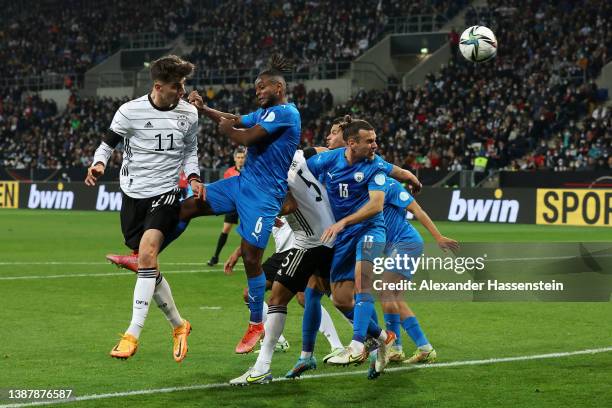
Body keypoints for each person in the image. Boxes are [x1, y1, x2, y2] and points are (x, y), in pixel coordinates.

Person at [84, 55, 203, 362]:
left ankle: (132, 333)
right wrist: (98, 163)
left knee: (147, 254)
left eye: (183, 86)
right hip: (132, 194)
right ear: (158, 86)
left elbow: (190, 150)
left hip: (165, 192)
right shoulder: (130, 111)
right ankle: (179, 325)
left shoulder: (189, 114)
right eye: (176, 86)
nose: (181, 91)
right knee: (147, 265)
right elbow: (108, 143)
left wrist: (193, 176)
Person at [181, 55, 301, 354]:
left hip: (264, 196)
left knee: (250, 257)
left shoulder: (285, 113)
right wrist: (204, 108)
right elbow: (236, 120)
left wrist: (228, 132)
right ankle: (145, 256)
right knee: (189, 205)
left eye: (262, 87)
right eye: (256, 88)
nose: (257, 91)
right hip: (242, 185)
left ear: (278, 87)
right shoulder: (265, 112)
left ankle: (256, 324)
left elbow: (245, 137)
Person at [230, 147, 343, 385]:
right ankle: (379, 340)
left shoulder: (276, 175)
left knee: (280, 299)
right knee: (337, 298)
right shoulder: (301, 156)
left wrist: (263, 209)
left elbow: (288, 206)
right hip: (325, 238)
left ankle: (262, 367)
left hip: (307, 243)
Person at [303, 117, 398, 377]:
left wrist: (343, 221)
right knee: (340, 299)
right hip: (343, 237)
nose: (375, 145)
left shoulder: (374, 165)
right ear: (352, 143)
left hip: (370, 231)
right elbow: (300, 166)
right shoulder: (329, 160)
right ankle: (382, 337)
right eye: (370, 141)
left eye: (375, 140)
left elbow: (376, 205)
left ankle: (357, 345)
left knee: (361, 281)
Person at [368, 177, 458, 379]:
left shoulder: (388, 184)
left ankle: (395, 347)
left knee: (385, 291)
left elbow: (417, 210)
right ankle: (424, 347)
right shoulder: (362, 185)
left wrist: (438, 237)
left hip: (406, 242)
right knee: (395, 298)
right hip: (394, 247)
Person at [207, 147, 247, 266]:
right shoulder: (229, 172)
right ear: (234, 159)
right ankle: (215, 257)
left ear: (245, 159)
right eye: (238, 157)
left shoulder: (250, 171)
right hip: (233, 206)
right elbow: (226, 190)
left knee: (247, 233)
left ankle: (247, 257)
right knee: (225, 230)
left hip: (245, 206)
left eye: (242, 157)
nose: (240, 160)